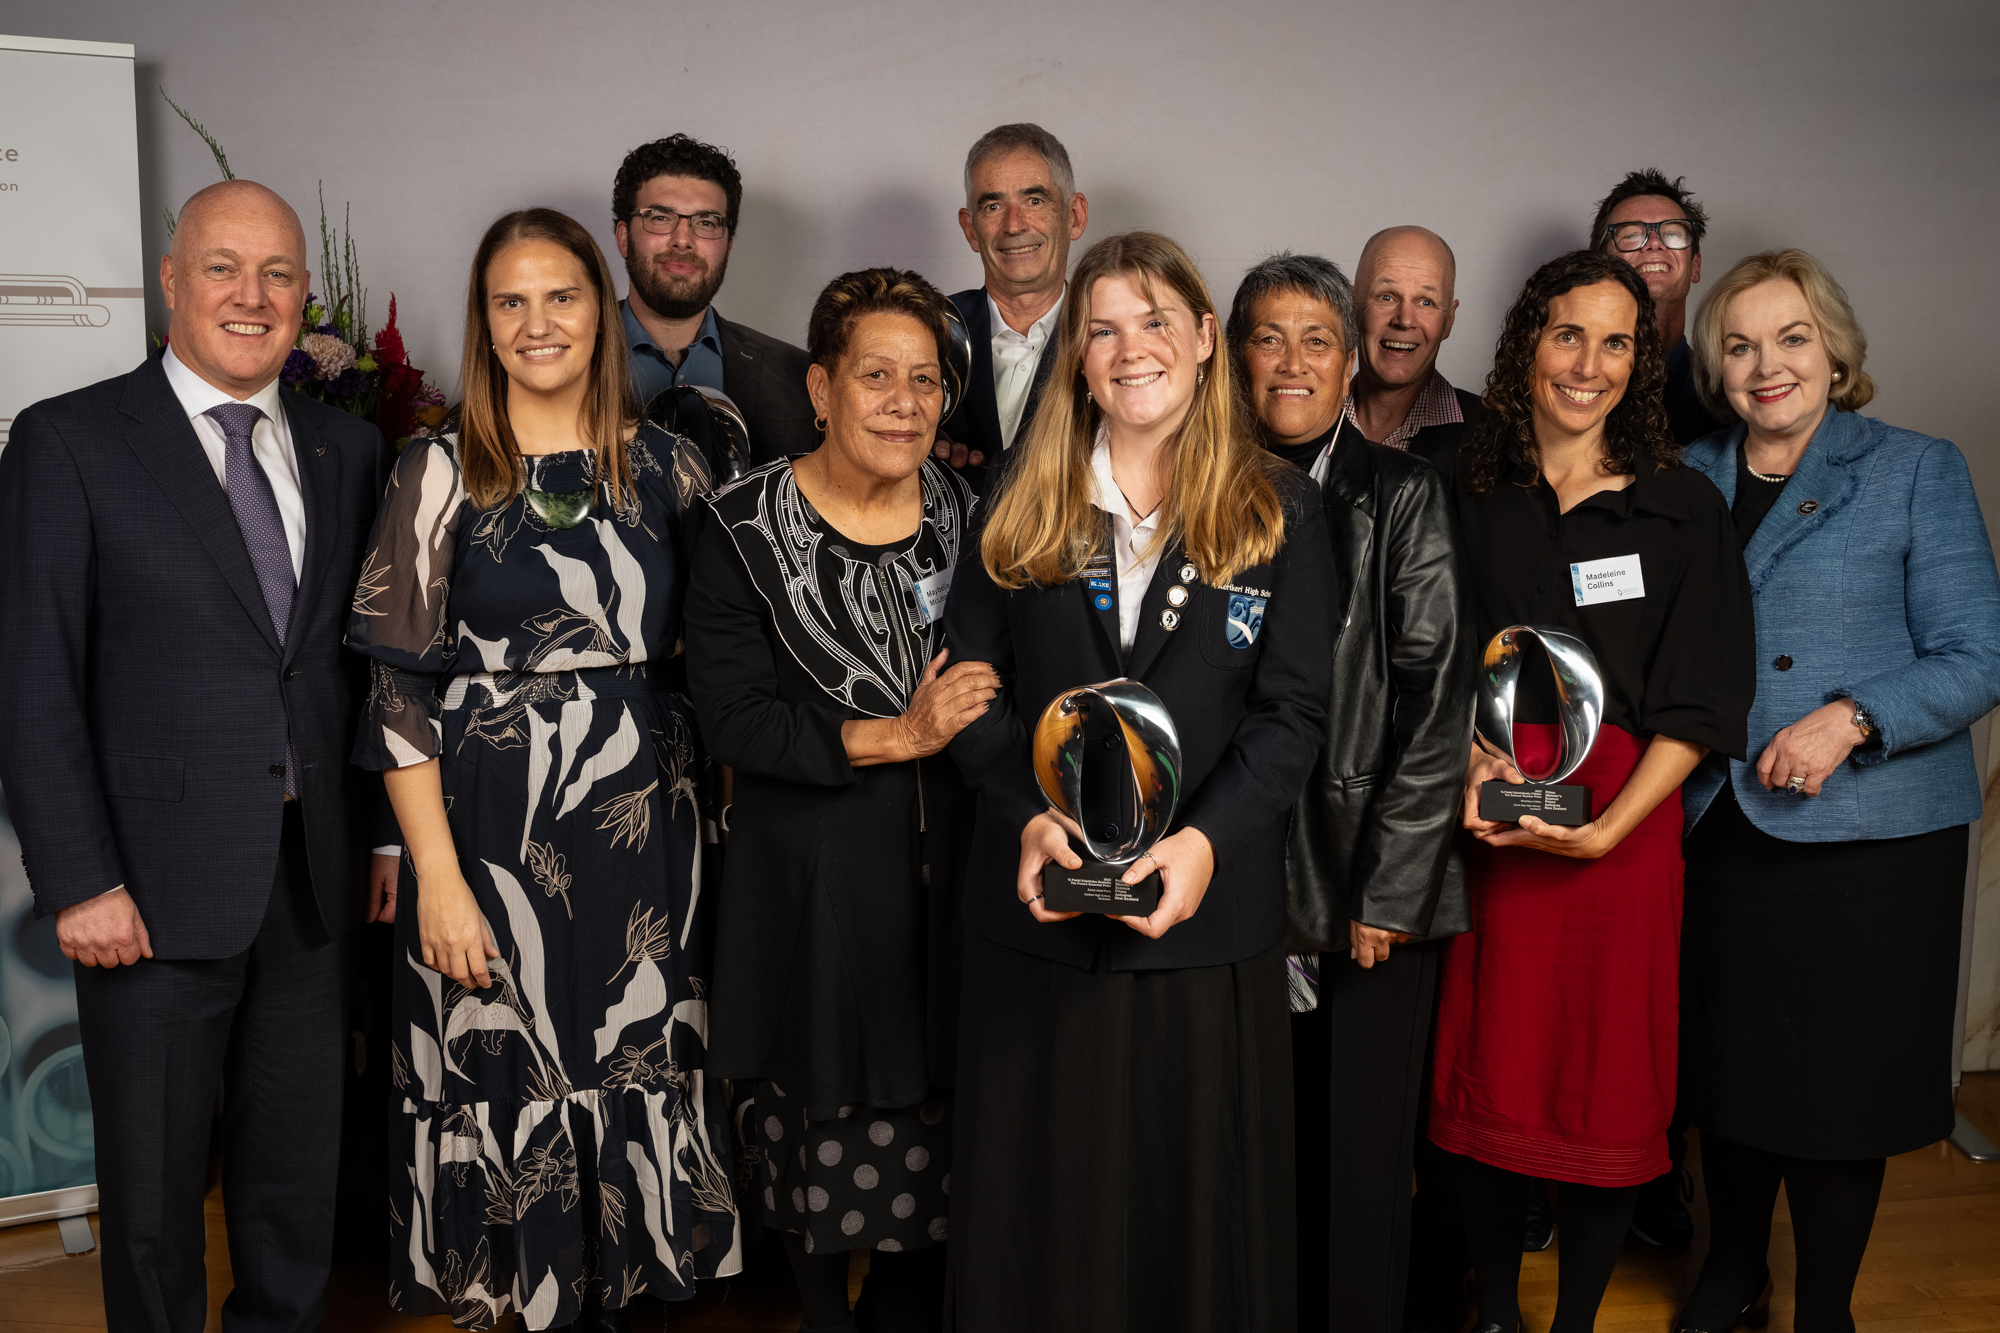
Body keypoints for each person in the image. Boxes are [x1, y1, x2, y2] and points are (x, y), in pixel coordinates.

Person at [0, 179, 392, 1331]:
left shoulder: (348, 447)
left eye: (276, 274)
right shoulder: (68, 440)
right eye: (223, 267)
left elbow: (368, 666)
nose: (250, 295)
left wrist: (380, 834)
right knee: (157, 1198)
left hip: (312, 877)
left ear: (304, 297)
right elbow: (30, 677)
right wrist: (79, 879)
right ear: (171, 281)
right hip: (146, 887)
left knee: (293, 1178)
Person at [347, 207, 737, 1332]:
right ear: (483, 321)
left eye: (560, 295)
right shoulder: (438, 469)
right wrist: (436, 877)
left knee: (636, 1052)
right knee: (502, 1064)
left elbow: (720, 659)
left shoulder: (670, 465)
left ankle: (627, 1285)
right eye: (508, 301)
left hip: (646, 824)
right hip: (486, 830)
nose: (537, 322)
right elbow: (397, 694)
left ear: (599, 311)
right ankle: (525, 1293)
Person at [945, 230, 1336, 1333]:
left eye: (1154, 322)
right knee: (1043, 1219)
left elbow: (1292, 714)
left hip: (1201, 924)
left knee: (1191, 1219)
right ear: (1076, 356)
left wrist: (1203, 843)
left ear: (1204, 337)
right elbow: (968, 688)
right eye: (1102, 329)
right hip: (1038, 918)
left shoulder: (1279, 507)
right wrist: (1024, 819)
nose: (1130, 350)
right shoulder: (1018, 492)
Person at [1673, 250, 2000, 1333]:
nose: (1766, 365)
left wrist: (1852, 716)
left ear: (1835, 350)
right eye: (1739, 345)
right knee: (1730, 1072)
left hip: (1872, 842)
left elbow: (1978, 655)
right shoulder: (1681, 476)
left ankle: (1824, 1307)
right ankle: (1730, 1269)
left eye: (1791, 337)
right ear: (1714, 367)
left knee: (1837, 1090)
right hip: (1720, 823)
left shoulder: (1914, 468)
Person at [1430, 250, 1755, 1333]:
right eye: (1568, 333)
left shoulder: (1681, 505)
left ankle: (1573, 1320)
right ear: (1528, 341)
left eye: (1616, 342)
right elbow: (1424, 648)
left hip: (1625, 821)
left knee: (1603, 1084)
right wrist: (1467, 760)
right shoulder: (1463, 483)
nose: (1588, 364)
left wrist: (1613, 827)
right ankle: (1496, 1312)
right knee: (1490, 1067)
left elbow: (1705, 697)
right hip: (1490, 807)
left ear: (1639, 363)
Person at [687, 267, 997, 1333]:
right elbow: (734, 721)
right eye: (876, 375)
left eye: (925, 380)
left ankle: (901, 1312)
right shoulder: (740, 525)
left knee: (941, 1118)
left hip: (951, 869)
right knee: (818, 1128)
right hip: (811, 876)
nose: (905, 402)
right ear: (820, 388)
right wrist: (897, 736)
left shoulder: (969, 513)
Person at [1226, 252, 1475, 1333]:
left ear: (1347, 362)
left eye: (1316, 339)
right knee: (1245, 1148)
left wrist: (1392, 886)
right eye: (1267, 337)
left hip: (1364, 883)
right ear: (1235, 358)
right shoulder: (1198, 483)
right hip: (1228, 880)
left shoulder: (1403, 492)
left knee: (1358, 1162)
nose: (1291, 361)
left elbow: (1437, 697)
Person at [612, 134, 817, 464]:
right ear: (624, 238)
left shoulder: (799, 377)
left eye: (706, 222)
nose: (683, 240)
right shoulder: (557, 361)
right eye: (660, 217)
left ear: (728, 247)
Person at [932, 122, 1089, 495]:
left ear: (1074, 216)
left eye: (1034, 201)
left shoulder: (1114, 336)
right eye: (993, 206)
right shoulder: (926, 328)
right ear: (971, 229)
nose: (1014, 225)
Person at [1592, 169, 1727, 447]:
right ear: (1598, 266)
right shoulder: (1573, 382)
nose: (1654, 244)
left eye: (1673, 234)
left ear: (1695, 266)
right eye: (1631, 235)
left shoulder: (1727, 392)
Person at [1343, 226, 1484, 461]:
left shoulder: (1494, 433)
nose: (1405, 320)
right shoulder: (1303, 416)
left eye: (1426, 302)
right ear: (1352, 306)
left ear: (1449, 320)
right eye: (1386, 297)